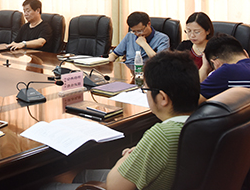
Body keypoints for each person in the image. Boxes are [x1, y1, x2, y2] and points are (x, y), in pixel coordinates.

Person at [45, 50, 199, 190]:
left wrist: (127, 157)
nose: (145, 94)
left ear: (162, 98)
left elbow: (114, 186)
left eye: (146, 89)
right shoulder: (198, 123)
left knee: (47, 186)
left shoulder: (162, 135)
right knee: (75, 175)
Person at [199, 33, 250, 103]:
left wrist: (204, 67)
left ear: (216, 63)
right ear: (245, 53)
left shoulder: (226, 71)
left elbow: (191, 100)